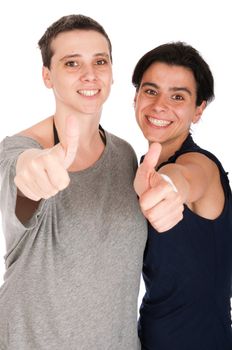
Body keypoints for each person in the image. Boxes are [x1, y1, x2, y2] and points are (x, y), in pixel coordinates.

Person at [0, 14, 148, 350]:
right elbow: (21, 176)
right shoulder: (21, 150)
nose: (90, 74)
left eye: (100, 61)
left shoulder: (125, 155)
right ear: (47, 77)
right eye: (71, 63)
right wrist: (34, 174)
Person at [132, 42, 232, 349]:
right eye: (151, 91)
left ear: (198, 109)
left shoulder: (201, 165)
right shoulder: (143, 169)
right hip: (148, 339)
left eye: (178, 96)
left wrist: (170, 187)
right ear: (135, 97)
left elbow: (184, 178)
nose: (160, 105)